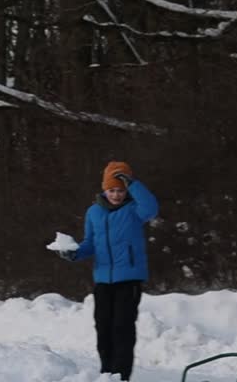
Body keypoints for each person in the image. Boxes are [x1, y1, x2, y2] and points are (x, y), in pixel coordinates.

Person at [58, 161, 158, 381]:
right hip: (103, 280)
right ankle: (107, 373)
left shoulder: (134, 210)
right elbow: (90, 243)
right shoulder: (94, 212)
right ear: (104, 189)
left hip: (129, 279)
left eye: (120, 190)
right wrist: (74, 253)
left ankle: (121, 376)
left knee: (122, 327)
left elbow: (152, 207)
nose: (116, 195)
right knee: (104, 328)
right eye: (112, 190)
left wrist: (133, 184)